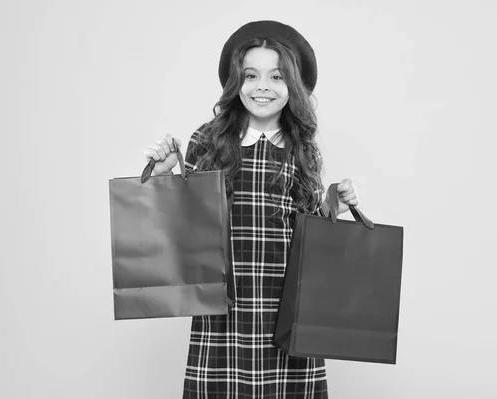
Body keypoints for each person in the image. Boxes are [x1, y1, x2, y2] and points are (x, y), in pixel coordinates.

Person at [144, 20, 360, 399]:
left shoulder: (302, 149)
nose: (263, 86)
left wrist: (333, 210)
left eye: (276, 76)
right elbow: (183, 229)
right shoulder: (207, 141)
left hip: (288, 307)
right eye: (251, 75)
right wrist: (163, 179)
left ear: (293, 86)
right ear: (236, 83)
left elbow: (307, 229)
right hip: (225, 306)